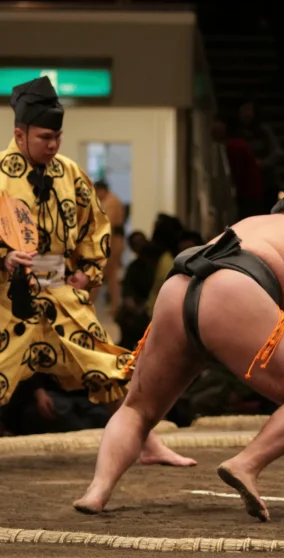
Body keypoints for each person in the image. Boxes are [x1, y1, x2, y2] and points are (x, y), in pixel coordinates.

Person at [73, 170, 284, 521]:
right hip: (233, 295)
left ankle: (97, 491)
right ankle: (246, 463)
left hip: (180, 288)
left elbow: (266, 326)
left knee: (137, 408)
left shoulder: (250, 224)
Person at [0, 76, 194, 467]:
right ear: (19, 134)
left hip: (60, 293)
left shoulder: (69, 173)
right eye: (44, 137)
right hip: (9, 298)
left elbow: (95, 225)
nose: (53, 145)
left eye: (57, 137)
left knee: (109, 367)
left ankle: (146, 444)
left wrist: (88, 271)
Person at [92, 180, 126, 317]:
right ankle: (114, 305)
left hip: (113, 242)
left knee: (106, 274)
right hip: (111, 241)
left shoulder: (111, 202)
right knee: (108, 275)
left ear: (102, 190)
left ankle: (113, 305)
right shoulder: (109, 200)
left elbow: (108, 224)